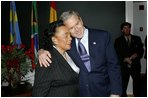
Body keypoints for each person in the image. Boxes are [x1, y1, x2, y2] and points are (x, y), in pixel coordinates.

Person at [38, 10, 122, 97]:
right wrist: (41, 51)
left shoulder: (102, 36)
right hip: (80, 92)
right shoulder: (67, 43)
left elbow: (113, 65)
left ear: (81, 20)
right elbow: (53, 46)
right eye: (71, 28)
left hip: (103, 90)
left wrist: (116, 92)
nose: (77, 29)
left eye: (77, 24)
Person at [32, 20, 80, 97]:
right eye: (66, 36)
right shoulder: (46, 60)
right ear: (54, 40)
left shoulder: (70, 53)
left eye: (70, 35)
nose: (70, 38)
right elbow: (38, 94)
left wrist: (40, 50)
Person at [114, 22, 144, 97]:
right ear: (122, 30)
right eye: (125, 28)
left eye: (128, 28)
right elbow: (115, 54)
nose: (127, 29)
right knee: (123, 85)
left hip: (135, 66)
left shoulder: (137, 38)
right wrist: (124, 59)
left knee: (137, 84)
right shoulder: (118, 40)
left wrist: (137, 55)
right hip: (123, 67)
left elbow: (141, 51)